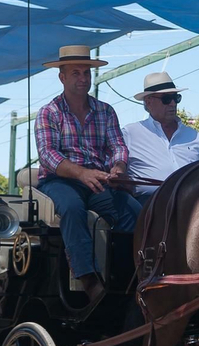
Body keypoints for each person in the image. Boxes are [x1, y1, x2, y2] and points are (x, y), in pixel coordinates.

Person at [35, 45, 140, 304]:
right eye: (76, 73)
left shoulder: (106, 111)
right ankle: (88, 279)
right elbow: (48, 154)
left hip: (97, 179)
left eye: (86, 73)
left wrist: (118, 168)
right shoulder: (49, 112)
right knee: (72, 208)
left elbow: (117, 147)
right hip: (60, 180)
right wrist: (81, 173)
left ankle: (130, 275)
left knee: (131, 210)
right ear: (62, 77)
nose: (83, 78)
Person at [121, 71, 199, 199]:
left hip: (192, 201)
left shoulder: (195, 136)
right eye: (166, 99)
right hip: (149, 202)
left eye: (176, 98)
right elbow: (115, 168)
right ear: (149, 102)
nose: (173, 103)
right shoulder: (130, 133)